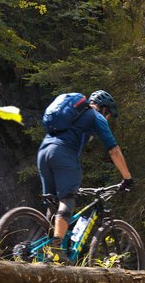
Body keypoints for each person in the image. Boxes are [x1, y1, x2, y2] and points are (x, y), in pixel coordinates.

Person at [37, 89, 133, 262]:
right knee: (67, 200)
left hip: (43, 151)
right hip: (63, 154)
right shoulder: (96, 116)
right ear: (105, 109)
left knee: (52, 203)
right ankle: (56, 247)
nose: (108, 118)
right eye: (109, 114)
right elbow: (114, 150)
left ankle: (41, 250)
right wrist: (127, 178)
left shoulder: (73, 115)